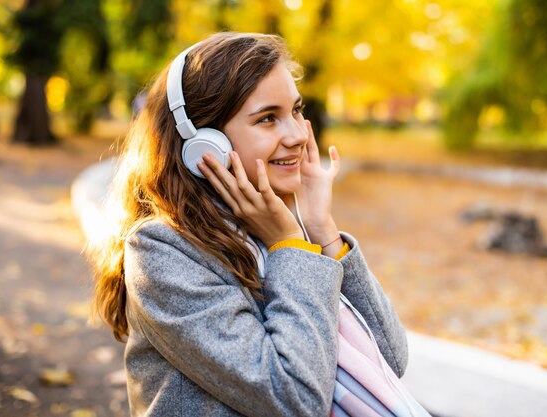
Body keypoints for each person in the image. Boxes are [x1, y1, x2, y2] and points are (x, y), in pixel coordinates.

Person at [91, 32, 408, 417]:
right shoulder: (162, 250)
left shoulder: (279, 226)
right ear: (204, 145)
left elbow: (389, 358)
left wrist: (322, 231)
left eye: (296, 110)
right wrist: (290, 244)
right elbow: (294, 399)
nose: (296, 135)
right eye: (268, 118)